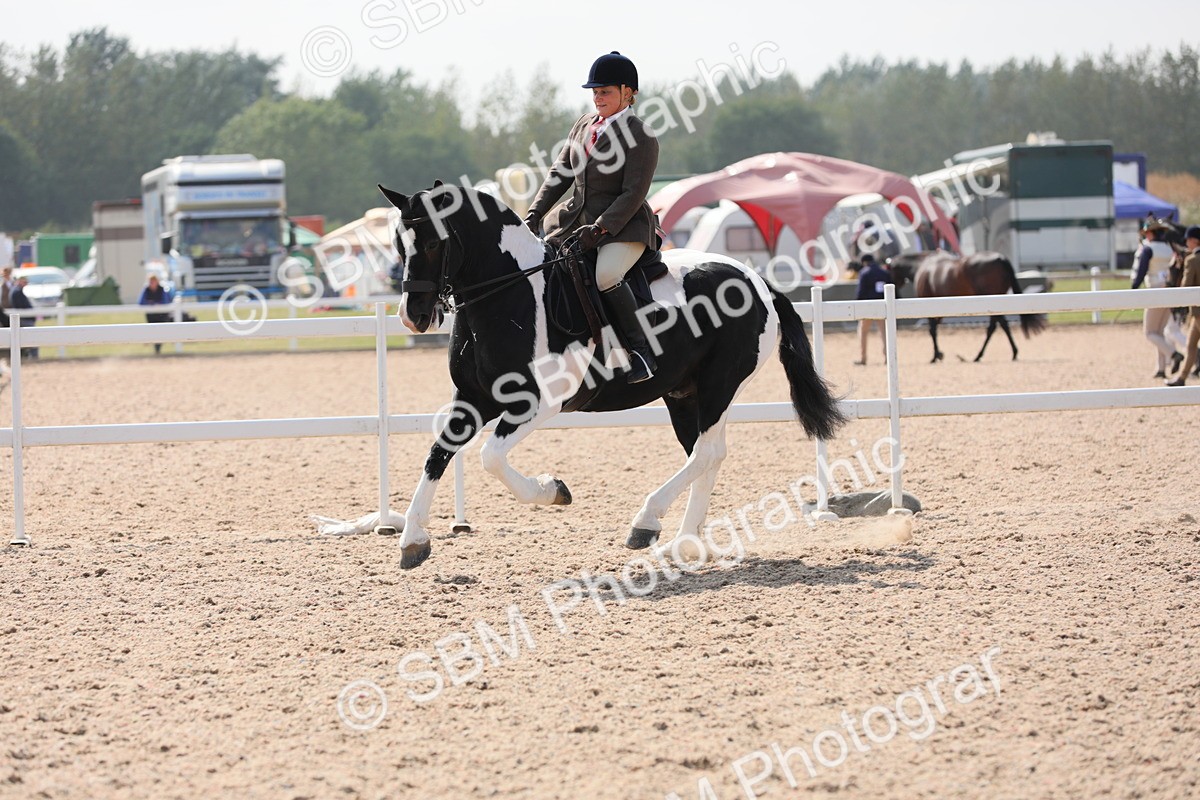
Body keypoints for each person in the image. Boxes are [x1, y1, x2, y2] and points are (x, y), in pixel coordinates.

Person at [525, 51, 660, 384]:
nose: (598, 98)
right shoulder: (583, 125)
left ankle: (640, 350)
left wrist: (600, 228)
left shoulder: (640, 134)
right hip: (573, 222)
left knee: (606, 275)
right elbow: (560, 173)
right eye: (595, 93)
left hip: (623, 226)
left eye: (606, 92)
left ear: (628, 92)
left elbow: (633, 193)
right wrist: (534, 213)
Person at [1131, 219, 1182, 378]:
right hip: (1169, 289)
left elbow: (1141, 272)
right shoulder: (1168, 249)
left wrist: (1133, 289)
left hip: (1154, 290)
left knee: (1149, 333)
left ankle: (1174, 354)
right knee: (1158, 332)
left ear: (1151, 233)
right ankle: (1161, 369)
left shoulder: (1148, 249)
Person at [1166, 225, 1200, 386]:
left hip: (1198, 310)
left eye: (1188, 240)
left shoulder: (1192, 260)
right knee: (1191, 345)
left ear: (1194, 241)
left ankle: (1182, 378)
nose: (1187, 242)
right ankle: (1182, 378)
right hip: (1196, 313)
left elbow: (1186, 287)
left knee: (1191, 346)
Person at [854, 254, 889, 365]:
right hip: (882, 306)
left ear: (864, 262)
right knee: (884, 333)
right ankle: (887, 357)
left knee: (863, 332)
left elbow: (861, 292)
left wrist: (858, 306)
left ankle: (863, 357)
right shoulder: (884, 272)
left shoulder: (864, 272)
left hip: (867, 307)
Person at [139, 274, 173, 354]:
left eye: (153, 282)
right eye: (151, 282)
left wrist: (155, 303)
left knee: (161, 332)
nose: (152, 283)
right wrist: (151, 303)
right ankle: (156, 349)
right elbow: (141, 302)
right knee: (153, 332)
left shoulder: (162, 289)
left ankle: (157, 348)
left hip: (162, 314)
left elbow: (166, 301)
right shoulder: (146, 290)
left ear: (157, 282)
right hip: (151, 315)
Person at [9, 275, 37, 360]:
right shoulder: (17, 292)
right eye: (24, 282)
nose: (26, 284)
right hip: (24, 319)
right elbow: (22, 306)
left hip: (23, 318)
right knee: (33, 338)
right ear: (20, 281)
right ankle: (33, 357)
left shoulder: (16, 291)